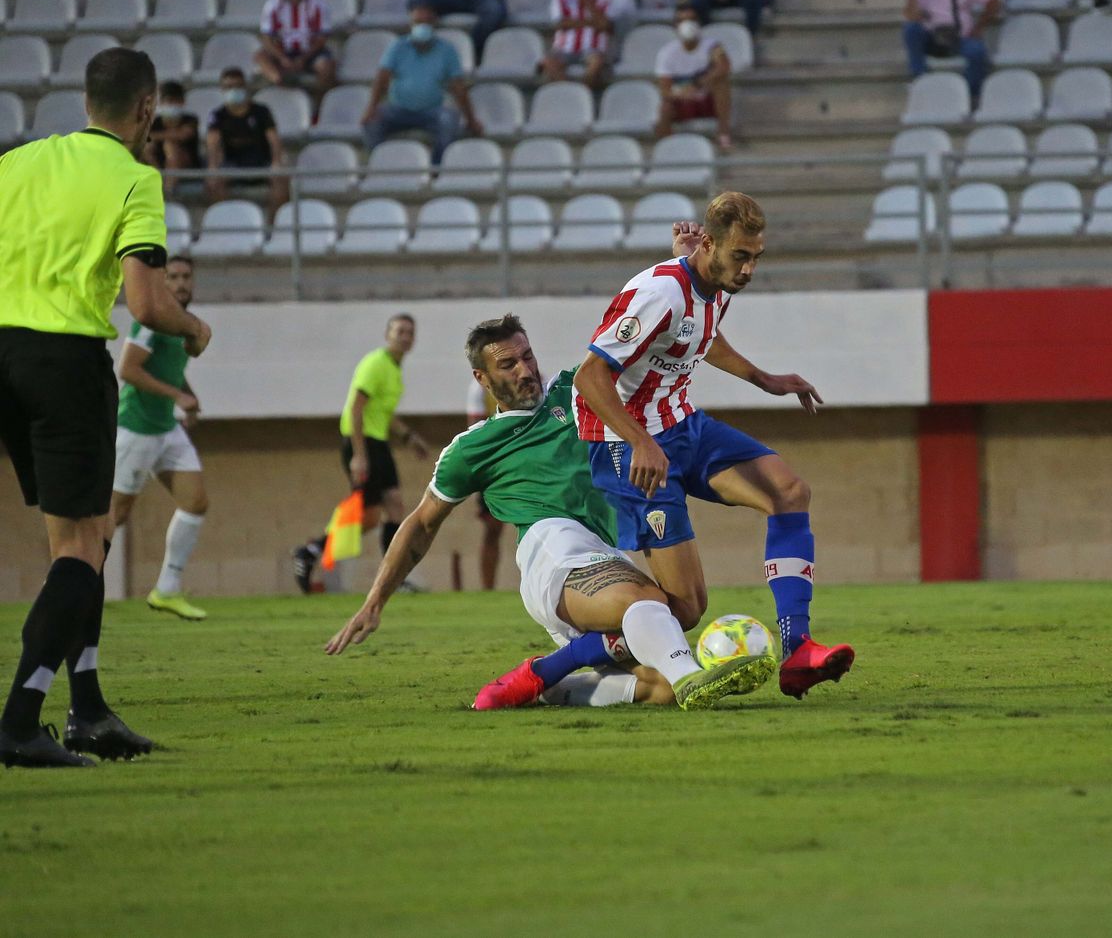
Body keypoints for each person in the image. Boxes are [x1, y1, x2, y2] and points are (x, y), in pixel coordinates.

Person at [325, 311, 776, 712]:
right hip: (552, 551)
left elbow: (652, 339)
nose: (525, 370)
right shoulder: (470, 448)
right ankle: (692, 679)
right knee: (649, 606)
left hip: (604, 555)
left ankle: (550, 684)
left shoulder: (576, 391)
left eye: (527, 357)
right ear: (482, 378)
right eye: (508, 364)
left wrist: (684, 276)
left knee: (666, 663)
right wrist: (374, 603)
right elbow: (422, 523)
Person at [0, 46, 211, 768]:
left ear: (85, 100)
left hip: (3, 353)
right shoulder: (134, 178)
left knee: (80, 538)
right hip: (64, 360)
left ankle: (88, 709)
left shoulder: (18, 162)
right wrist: (194, 327)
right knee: (81, 552)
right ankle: (19, 720)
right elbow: (147, 303)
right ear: (147, 108)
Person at [570, 192, 856, 700]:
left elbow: (701, 334)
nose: (748, 270)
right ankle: (551, 670)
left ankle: (797, 651)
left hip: (682, 425)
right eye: (740, 256)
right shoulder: (660, 293)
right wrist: (640, 441)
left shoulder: (716, 282)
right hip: (626, 444)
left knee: (789, 493)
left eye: (756, 258)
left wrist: (764, 379)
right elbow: (589, 377)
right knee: (685, 609)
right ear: (709, 245)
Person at [291, 315, 432, 594]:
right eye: (400, 331)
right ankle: (312, 551)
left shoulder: (394, 369)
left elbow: (384, 413)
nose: (405, 337)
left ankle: (394, 577)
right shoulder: (375, 363)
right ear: (388, 335)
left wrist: (409, 437)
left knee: (392, 507)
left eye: (409, 332)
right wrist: (359, 454)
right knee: (371, 515)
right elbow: (356, 408)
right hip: (363, 442)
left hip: (378, 443)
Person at [110, 256, 209, 622]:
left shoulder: (181, 324)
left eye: (186, 276)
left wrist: (188, 396)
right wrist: (177, 396)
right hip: (136, 428)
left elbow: (170, 369)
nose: (181, 283)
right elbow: (128, 369)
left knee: (195, 502)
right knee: (115, 514)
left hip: (166, 428)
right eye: (173, 277)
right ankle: (68, 586)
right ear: (161, 282)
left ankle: (166, 589)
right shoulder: (151, 321)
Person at [361, 3, 483, 163]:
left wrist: (471, 119)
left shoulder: (447, 50)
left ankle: (436, 168)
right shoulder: (398, 47)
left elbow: (458, 87)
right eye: (418, 22)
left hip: (432, 111)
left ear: (434, 24)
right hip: (398, 109)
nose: (422, 26)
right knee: (372, 123)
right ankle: (381, 163)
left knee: (449, 120)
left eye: (427, 22)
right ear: (411, 24)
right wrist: (371, 108)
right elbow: (382, 78)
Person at [902, 0, 999, 101]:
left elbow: (993, 2)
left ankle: (971, 94)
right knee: (911, 29)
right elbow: (910, 16)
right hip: (932, 38)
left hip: (959, 38)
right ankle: (919, 78)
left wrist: (979, 27)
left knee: (977, 51)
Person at [254, 0, 337, 108]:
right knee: (260, 56)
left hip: (310, 52)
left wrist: (303, 58)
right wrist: (282, 58)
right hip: (282, 50)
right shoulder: (272, 5)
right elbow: (267, 37)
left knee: (327, 67)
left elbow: (321, 38)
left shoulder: (319, 5)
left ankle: (320, 107)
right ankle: (281, 80)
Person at [205, 67, 288, 217]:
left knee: (281, 180)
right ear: (222, 90)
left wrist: (276, 162)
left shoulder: (261, 111)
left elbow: (274, 140)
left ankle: (273, 224)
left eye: (238, 86)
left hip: (261, 163)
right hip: (232, 165)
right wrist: (213, 167)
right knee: (214, 182)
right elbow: (212, 143)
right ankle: (225, 220)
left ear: (245, 88)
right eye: (229, 87)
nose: (234, 90)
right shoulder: (217, 115)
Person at [655, 3, 734, 150]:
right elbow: (664, 90)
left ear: (698, 23)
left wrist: (698, 84)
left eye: (691, 20)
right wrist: (682, 94)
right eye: (681, 21)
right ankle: (667, 148)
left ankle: (723, 134)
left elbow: (724, 66)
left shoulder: (712, 46)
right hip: (683, 101)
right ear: (675, 26)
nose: (687, 24)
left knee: (722, 84)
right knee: (665, 107)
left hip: (706, 100)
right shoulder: (666, 53)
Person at [541, 0, 625, 91]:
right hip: (564, 46)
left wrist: (586, 0)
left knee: (596, 64)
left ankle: (583, 93)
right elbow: (560, 23)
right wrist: (593, 22)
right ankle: (570, 92)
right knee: (548, 62)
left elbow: (606, 25)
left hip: (593, 46)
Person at [465, 378, 505, 591]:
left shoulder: (530, 379)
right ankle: (488, 589)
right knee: (493, 528)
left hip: (522, 457)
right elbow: (476, 432)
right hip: (494, 463)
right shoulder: (480, 389)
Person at [144, 81, 200, 199]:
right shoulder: (155, 122)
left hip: (187, 162)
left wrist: (155, 136)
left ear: (182, 102)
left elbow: (183, 135)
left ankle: (169, 189)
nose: (171, 105)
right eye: (168, 101)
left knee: (170, 146)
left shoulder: (190, 119)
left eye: (175, 101)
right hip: (159, 161)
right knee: (146, 147)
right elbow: (143, 138)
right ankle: (158, 179)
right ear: (161, 103)